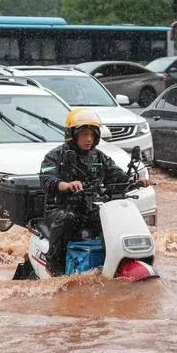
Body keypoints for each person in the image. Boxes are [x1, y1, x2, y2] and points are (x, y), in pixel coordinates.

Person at [38, 108, 137, 276]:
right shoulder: (55, 155)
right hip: (60, 208)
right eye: (84, 134)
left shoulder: (99, 157)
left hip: (89, 208)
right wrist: (65, 185)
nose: (89, 139)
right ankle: (54, 264)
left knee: (111, 219)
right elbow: (46, 179)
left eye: (92, 134)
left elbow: (116, 175)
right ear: (73, 135)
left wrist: (135, 180)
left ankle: (112, 262)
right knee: (66, 218)